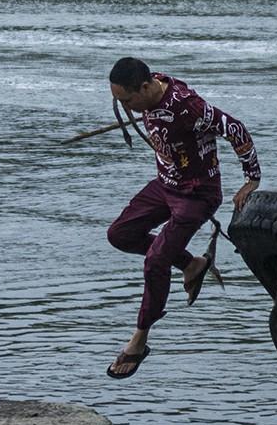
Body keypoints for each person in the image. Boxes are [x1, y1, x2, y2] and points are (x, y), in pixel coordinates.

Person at [102, 56, 263, 379]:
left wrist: (252, 178)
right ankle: (191, 264)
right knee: (120, 234)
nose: (126, 108)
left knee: (156, 262)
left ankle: (139, 339)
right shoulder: (151, 88)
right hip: (165, 185)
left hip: (196, 194)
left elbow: (234, 128)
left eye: (127, 100)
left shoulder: (188, 108)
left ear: (145, 87)